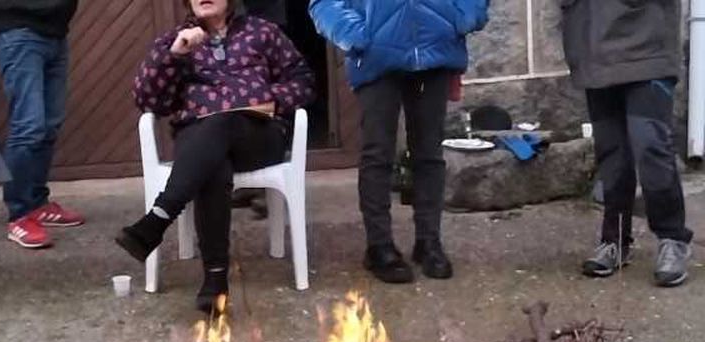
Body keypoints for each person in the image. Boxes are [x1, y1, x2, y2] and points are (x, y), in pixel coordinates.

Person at [113, 0, 315, 312]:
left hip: (258, 137)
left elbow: (303, 80)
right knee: (213, 163)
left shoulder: (263, 32)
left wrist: (266, 99)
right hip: (200, 145)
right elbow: (147, 99)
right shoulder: (173, 41)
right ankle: (215, 280)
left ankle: (158, 218)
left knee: (220, 121)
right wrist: (175, 57)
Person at [310, 0, 488, 283]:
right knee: (378, 153)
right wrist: (355, 33)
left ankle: (429, 242)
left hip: (435, 49)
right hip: (375, 56)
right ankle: (379, 246)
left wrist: (465, 14)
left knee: (429, 153)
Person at [563, 0, 694, 286]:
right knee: (611, 151)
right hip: (592, 45)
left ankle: (672, 237)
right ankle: (615, 240)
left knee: (650, 143)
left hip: (648, 43)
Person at [0, 0, 87, 248]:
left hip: (55, 33)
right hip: (19, 32)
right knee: (28, 127)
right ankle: (18, 215)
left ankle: (38, 203)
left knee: (49, 125)